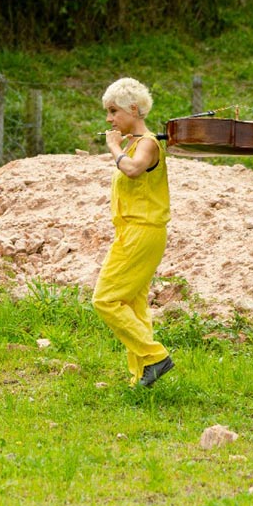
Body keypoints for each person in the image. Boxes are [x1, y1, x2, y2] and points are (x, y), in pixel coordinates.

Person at [92, 77, 174, 388]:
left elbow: (133, 168)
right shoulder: (134, 144)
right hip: (133, 231)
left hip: (142, 231)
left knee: (106, 300)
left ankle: (154, 356)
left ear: (134, 109)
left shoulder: (148, 144)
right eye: (108, 113)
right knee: (133, 304)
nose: (109, 119)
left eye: (114, 111)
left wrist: (114, 148)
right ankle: (141, 375)